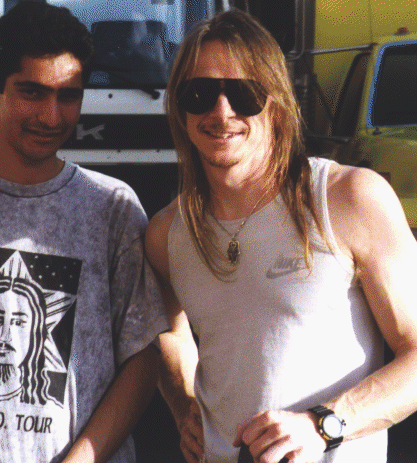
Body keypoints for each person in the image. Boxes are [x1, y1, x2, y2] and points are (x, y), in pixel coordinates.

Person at [0, 2, 169, 463]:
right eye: (32, 93)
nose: (52, 116)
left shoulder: (114, 208)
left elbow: (143, 358)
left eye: (69, 96)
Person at [145, 8, 417, 463]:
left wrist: (324, 424)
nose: (221, 111)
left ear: (275, 102)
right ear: (180, 106)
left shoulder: (348, 198)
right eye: (200, 93)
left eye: (244, 93)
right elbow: (169, 333)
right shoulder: (167, 234)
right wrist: (181, 402)